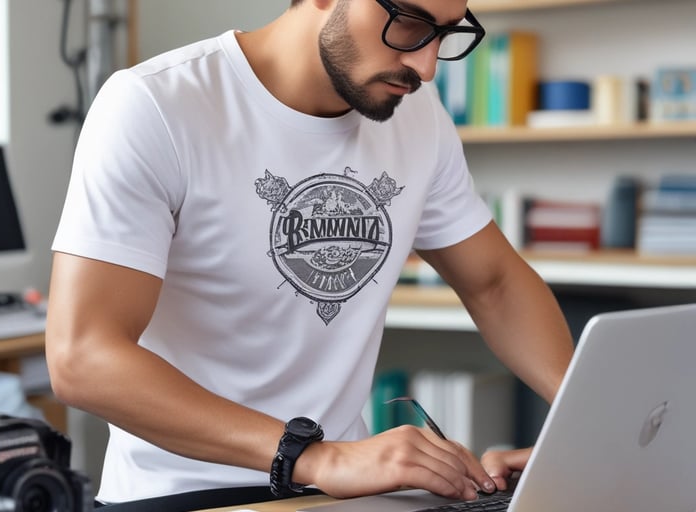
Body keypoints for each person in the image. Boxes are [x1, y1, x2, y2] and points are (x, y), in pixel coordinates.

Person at [46, 0, 575, 507]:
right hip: (185, 492)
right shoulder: (156, 104)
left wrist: (589, 424)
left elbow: (496, 285)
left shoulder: (420, 117)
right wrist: (315, 458)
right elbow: (83, 357)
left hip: (345, 493)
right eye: (411, 23)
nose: (427, 65)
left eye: (445, 33)